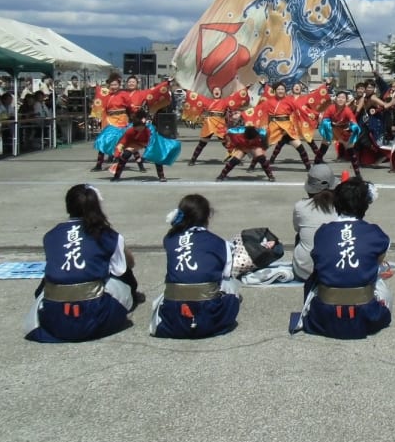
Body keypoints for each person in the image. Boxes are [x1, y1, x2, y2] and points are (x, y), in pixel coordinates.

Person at [24, 184, 141, 343]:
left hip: (55, 315)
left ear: (68, 206)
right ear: (96, 207)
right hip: (95, 313)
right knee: (124, 277)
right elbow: (124, 268)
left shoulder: (50, 235)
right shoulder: (107, 234)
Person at [297, 177, 393, 339]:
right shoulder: (376, 233)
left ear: (335, 203)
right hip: (366, 314)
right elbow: (375, 264)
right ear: (365, 205)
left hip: (324, 315)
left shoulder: (323, 232)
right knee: (379, 280)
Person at [150, 194, 242, 339]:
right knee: (231, 285)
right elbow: (225, 274)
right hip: (207, 310)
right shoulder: (219, 242)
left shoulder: (170, 239)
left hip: (174, 310)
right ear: (207, 216)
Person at [292, 164, 340, 281]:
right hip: (336, 270)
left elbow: (297, 228)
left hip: (305, 272)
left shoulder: (300, 206)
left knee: (300, 235)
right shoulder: (341, 206)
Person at [109, 110, 168, 181]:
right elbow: (122, 143)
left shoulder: (147, 131)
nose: (140, 129)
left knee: (156, 155)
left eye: (142, 127)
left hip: (146, 143)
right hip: (133, 143)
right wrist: (117, 155)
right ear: (135, 127)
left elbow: (150, 143)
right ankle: (116, 176)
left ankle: (161, 176)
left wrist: (145, 157)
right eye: (138, 127)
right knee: (125, 155)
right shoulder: (129, 131)